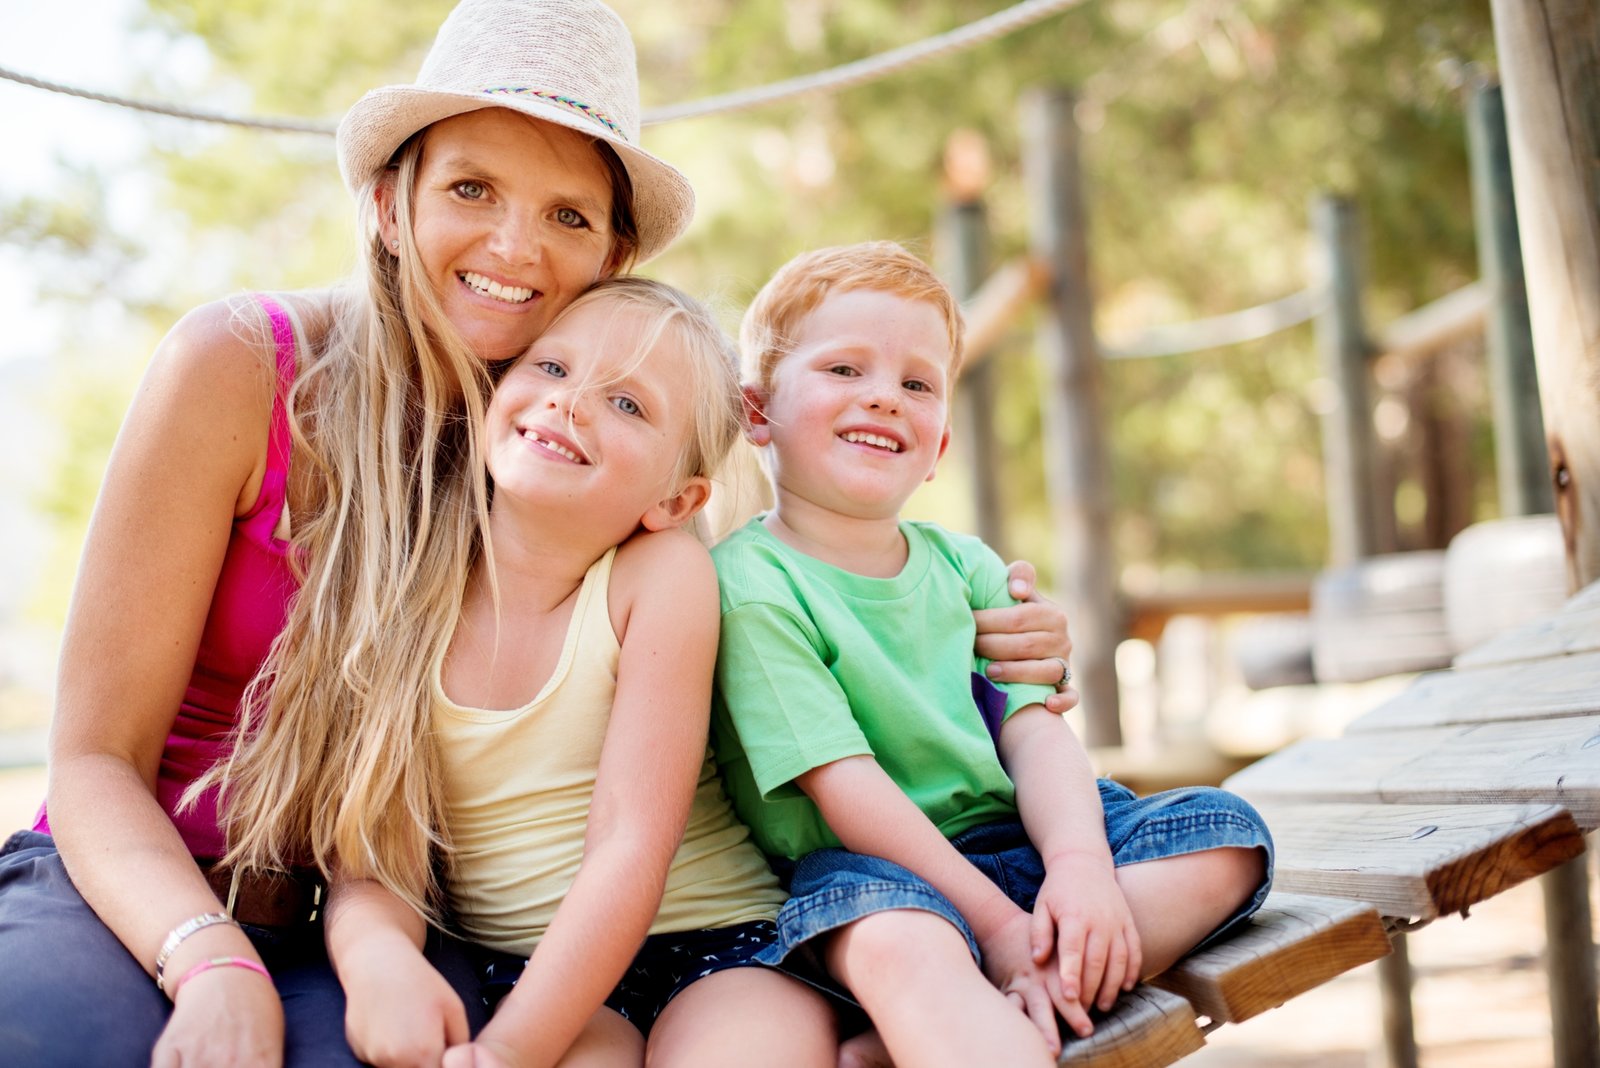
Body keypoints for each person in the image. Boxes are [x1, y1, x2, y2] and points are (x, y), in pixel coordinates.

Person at [0, 3, 1074, 1065]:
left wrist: (996, 641)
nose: (515, 244)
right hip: (138, 887)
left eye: (568, 215)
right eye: (471, 187)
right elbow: (93, 757)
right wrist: (207, 958)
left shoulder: (583, 455)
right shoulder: (241, 367)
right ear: (389, 201)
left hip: (373, 930)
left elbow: (818, 597)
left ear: (608, 255)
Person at [709, 242, 1275, 1067]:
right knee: (890, 941)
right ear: (757, 413)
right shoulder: (752, 585)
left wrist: (1079, 870)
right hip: (876, 872)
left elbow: (1036, 731)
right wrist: (998, 922)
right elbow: (844, 789)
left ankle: (986, 999)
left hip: (1026, 837)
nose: (884, 398)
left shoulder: (968, 565)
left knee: (1227, 834)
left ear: (939, 447)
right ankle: (968, 999)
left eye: (917, 383)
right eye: (843, 369)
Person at [322, 277, 844, 1068]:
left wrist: (505, 1052)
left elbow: (630, 843)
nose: (570, 403)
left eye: (627, 404)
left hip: (715, 947)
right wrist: (377, 962)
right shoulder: (409, 593)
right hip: (529, 973)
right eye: (553, 369)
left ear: (677, 498)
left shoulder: (658, 574)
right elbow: (373, 853)